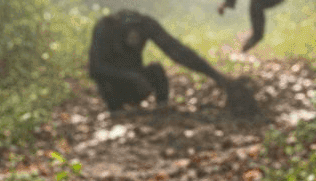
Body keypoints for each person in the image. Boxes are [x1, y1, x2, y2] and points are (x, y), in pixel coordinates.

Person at [88, 9, 233, 112]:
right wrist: (132, 78)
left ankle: (161, 108)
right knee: (106, 81)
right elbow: (95, 69)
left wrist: (215, 75)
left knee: (156, 69)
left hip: (137, 83)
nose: (134, 37)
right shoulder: (106, 27)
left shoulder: (145, 24)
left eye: (137, 32)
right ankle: (117, 110)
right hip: (114, 87)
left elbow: (177, 51)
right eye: (130, 32)